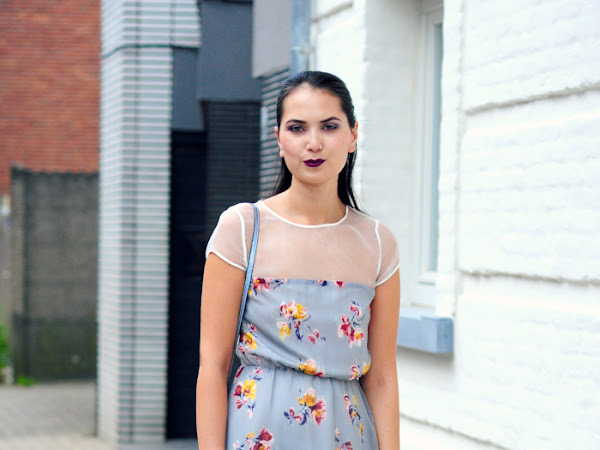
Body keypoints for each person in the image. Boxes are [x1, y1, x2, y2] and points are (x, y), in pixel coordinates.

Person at [196, 71, 400, 449]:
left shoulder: (377, 242)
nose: (313, 143)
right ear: (278, 139)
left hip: (348, 436)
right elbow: (213, 366)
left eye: (329, 126)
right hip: (258, 434)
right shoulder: (242, 228)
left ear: (353, 136)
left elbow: (383, 377)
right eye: (297, 128)